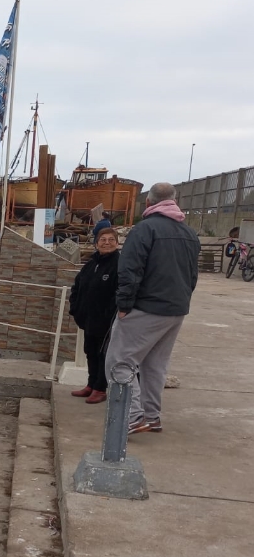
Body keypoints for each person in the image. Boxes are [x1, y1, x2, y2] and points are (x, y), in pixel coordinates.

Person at [104, 182, 200, 434]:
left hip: (146, 306)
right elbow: (192, 275)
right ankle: (151, 416)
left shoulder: (144, 230)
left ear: (148, 203)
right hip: (175, 309)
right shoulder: (189, 233)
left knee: (119, 361)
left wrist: (124, 305)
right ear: (174, 201)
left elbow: (129, 270)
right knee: (155, 365)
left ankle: (133, 415)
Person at [68, 227, 120, 404]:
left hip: (106, 321)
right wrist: (75, 308)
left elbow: (119, 293)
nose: (107, 243)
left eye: (111, 239)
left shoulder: (119, 264)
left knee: (103, 354)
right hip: (88, 318)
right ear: (96, 243)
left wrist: (109, 314)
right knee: (89, 351)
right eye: (103, 240)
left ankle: (100, 388)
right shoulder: (91, 264)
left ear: (117, 243)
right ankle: (90, 384)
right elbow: (77, 286)